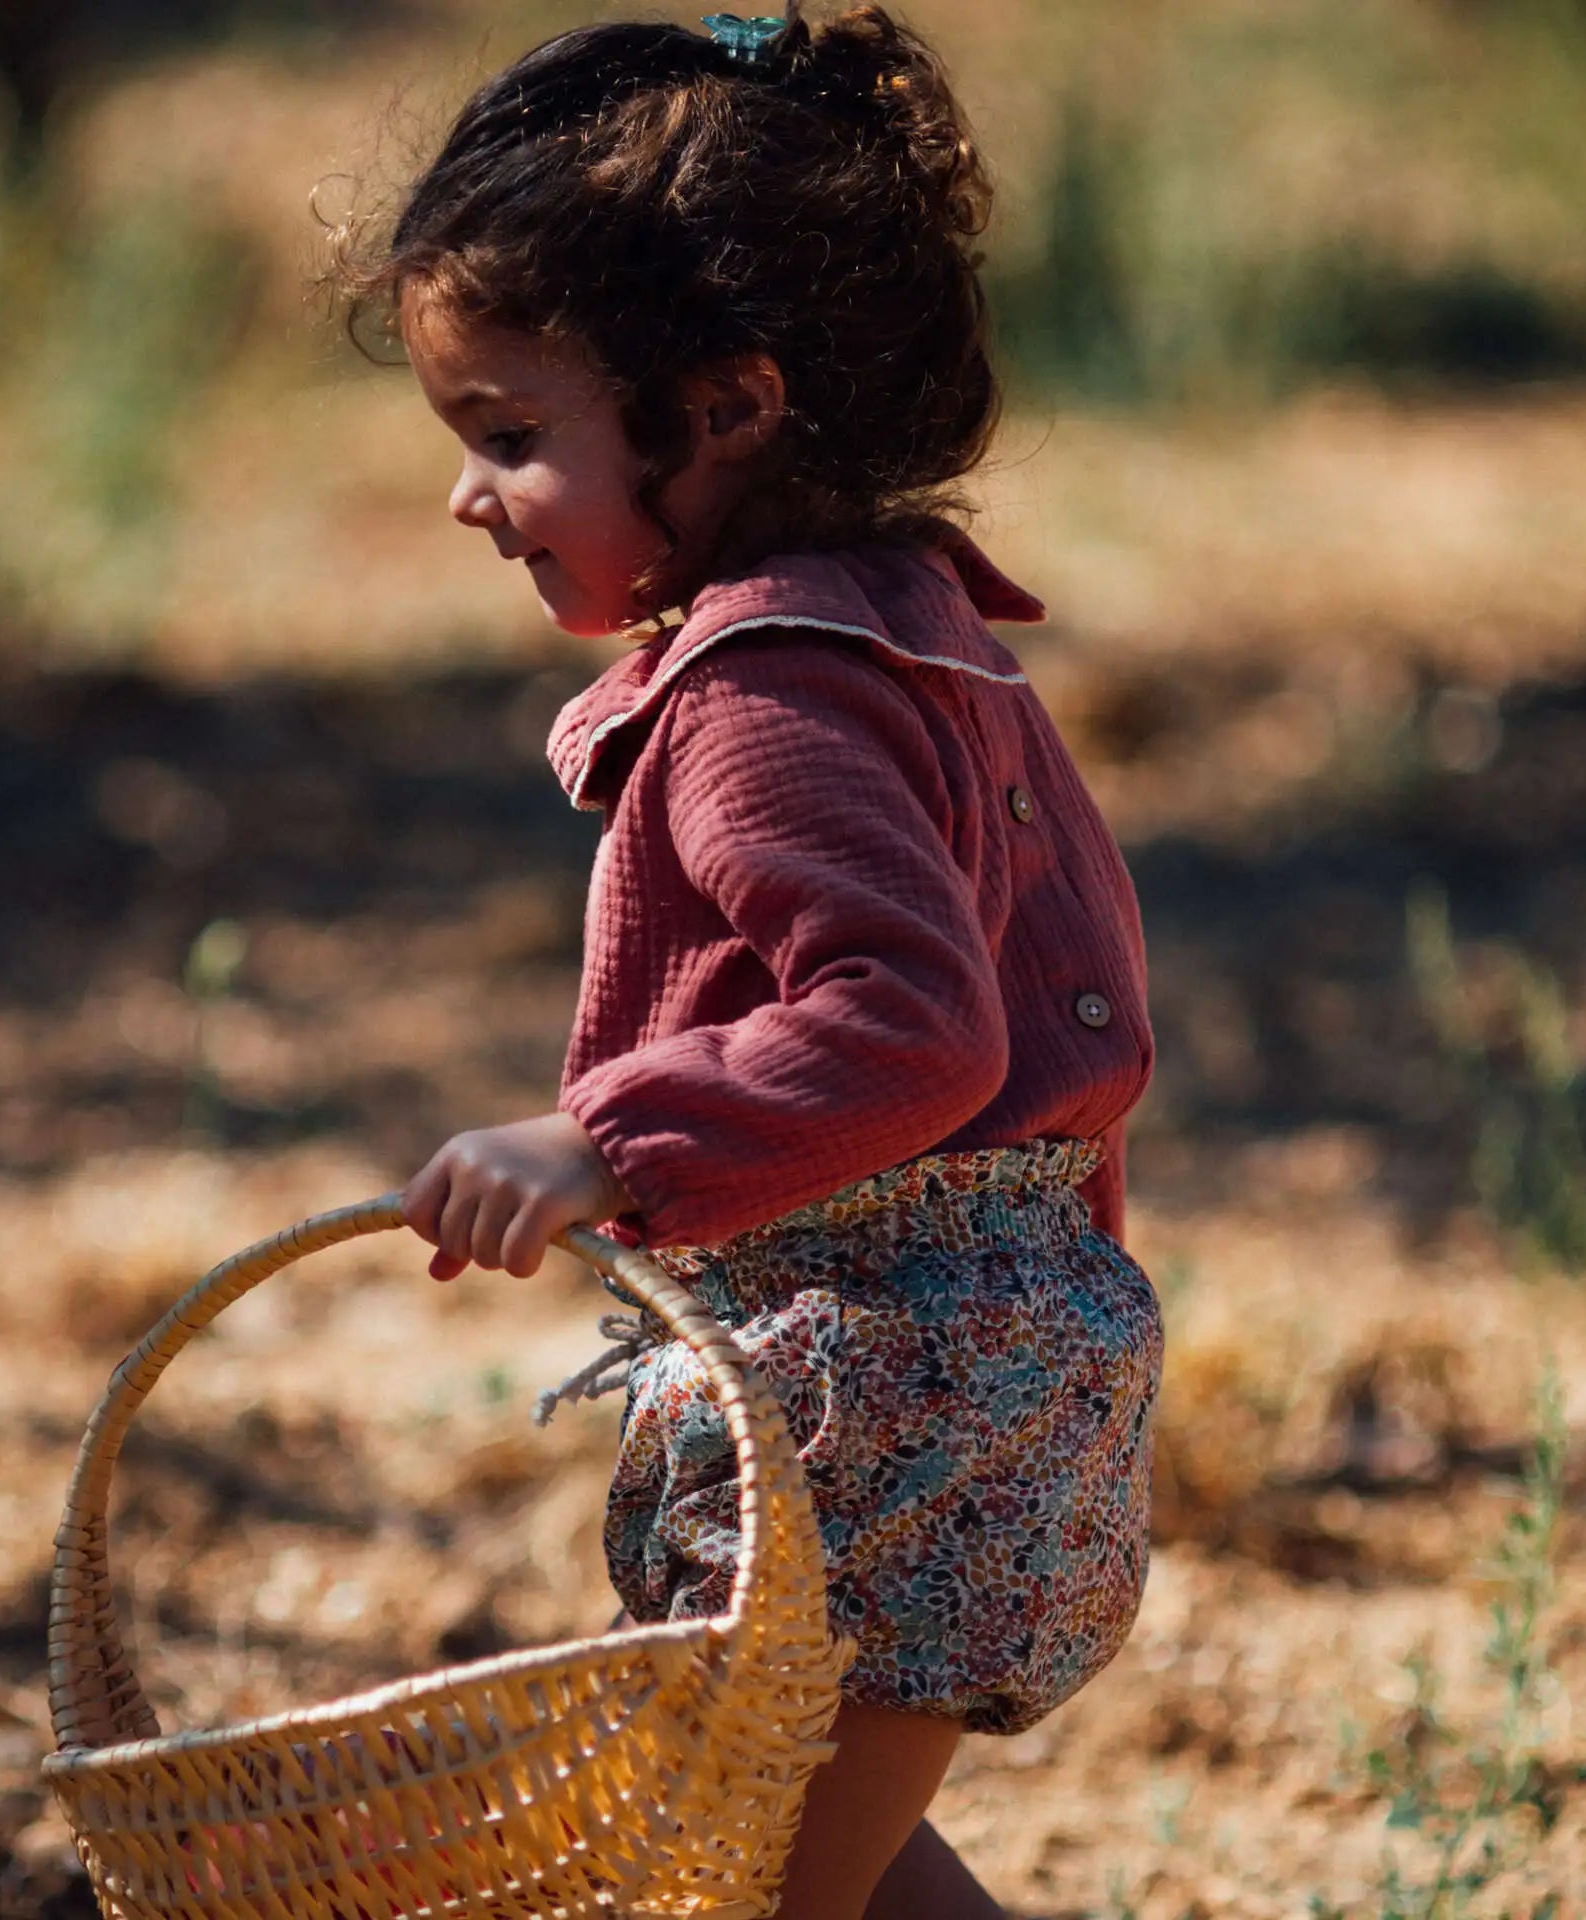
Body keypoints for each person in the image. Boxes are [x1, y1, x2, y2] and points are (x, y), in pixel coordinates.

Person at [327, 7, 1163, 1916]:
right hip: (976, 1352)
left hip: (891, 1385)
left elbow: (919, 1027)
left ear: (725, 408)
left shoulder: (762, 696)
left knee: (758, 1876)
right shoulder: (910, 628)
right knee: (825, 1868)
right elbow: (1052, 1032)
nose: (473, 496)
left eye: (512, 438)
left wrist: (603, 1141)